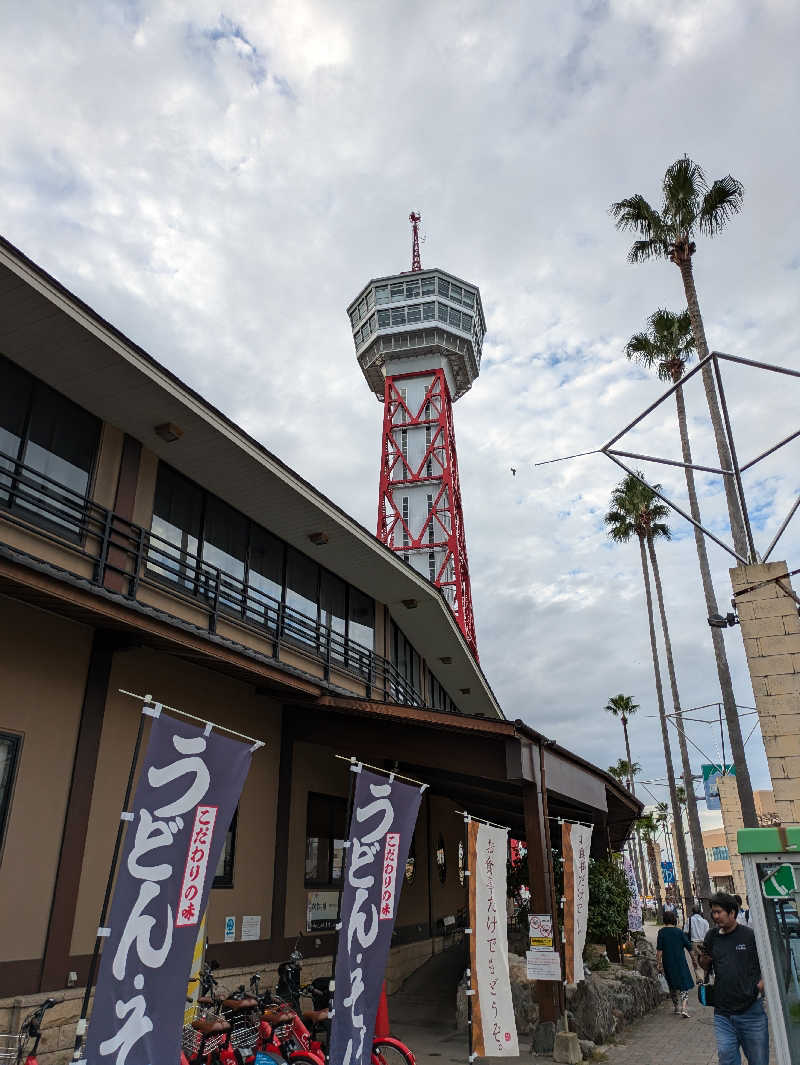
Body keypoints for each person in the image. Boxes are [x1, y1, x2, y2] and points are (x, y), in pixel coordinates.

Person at [700, 891, 768, 1065]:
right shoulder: (711, 936)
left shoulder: (750, 936)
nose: (715, 916)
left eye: (719, 912)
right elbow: (705, 964)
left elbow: (768, 962)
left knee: (758, 1061)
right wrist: (704, 961)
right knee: (726, 1056)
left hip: (751, 1011)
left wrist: (763, 983)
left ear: (732, 913)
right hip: (723, 1012)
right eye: (713, 912)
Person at [656, 909, 697, 1017]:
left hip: (668, 963)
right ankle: (684, 1008)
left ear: (664, 920)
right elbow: (689, 947)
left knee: (672, 985)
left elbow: (659, 950)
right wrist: (693, 960)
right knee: (683, 985)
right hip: (680, 962)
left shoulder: (661, 932)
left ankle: (676, 1007)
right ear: (674, 919)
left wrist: (658, 963)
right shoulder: (679, 932)